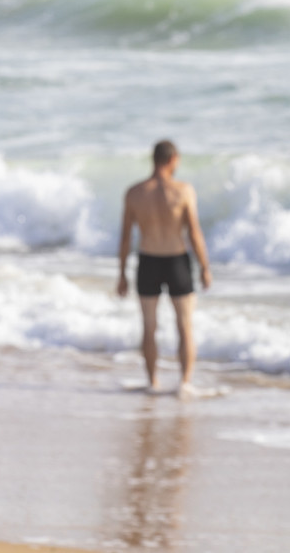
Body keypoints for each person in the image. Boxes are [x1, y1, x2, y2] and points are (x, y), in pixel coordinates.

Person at [117, 140, 212, 396]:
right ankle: (185, 384)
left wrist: (122, 274)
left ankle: (152, 383)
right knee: (185, 325)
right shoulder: (183, 191)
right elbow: (194, 233)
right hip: (176, 261)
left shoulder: (134, 193)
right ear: (173, 160)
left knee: (149, 326)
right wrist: (205, 267)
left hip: (147, 261)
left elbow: (126, 237)